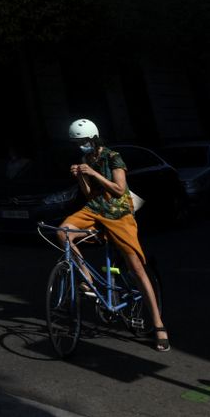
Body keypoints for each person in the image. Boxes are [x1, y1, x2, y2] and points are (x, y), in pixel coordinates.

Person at [56, 118, 169, 352]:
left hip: (118, 212)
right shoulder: (86, 159)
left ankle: (158, 325)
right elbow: (89, 195)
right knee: (62, 232)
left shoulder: (113, 156)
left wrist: (94, 174)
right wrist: (80, 175)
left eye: (83, 141)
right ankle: (86, 278)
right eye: (77, 143)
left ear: (93, 139)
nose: (81, 146)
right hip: (95, 209)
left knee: (136, 267)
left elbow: (119, 189)